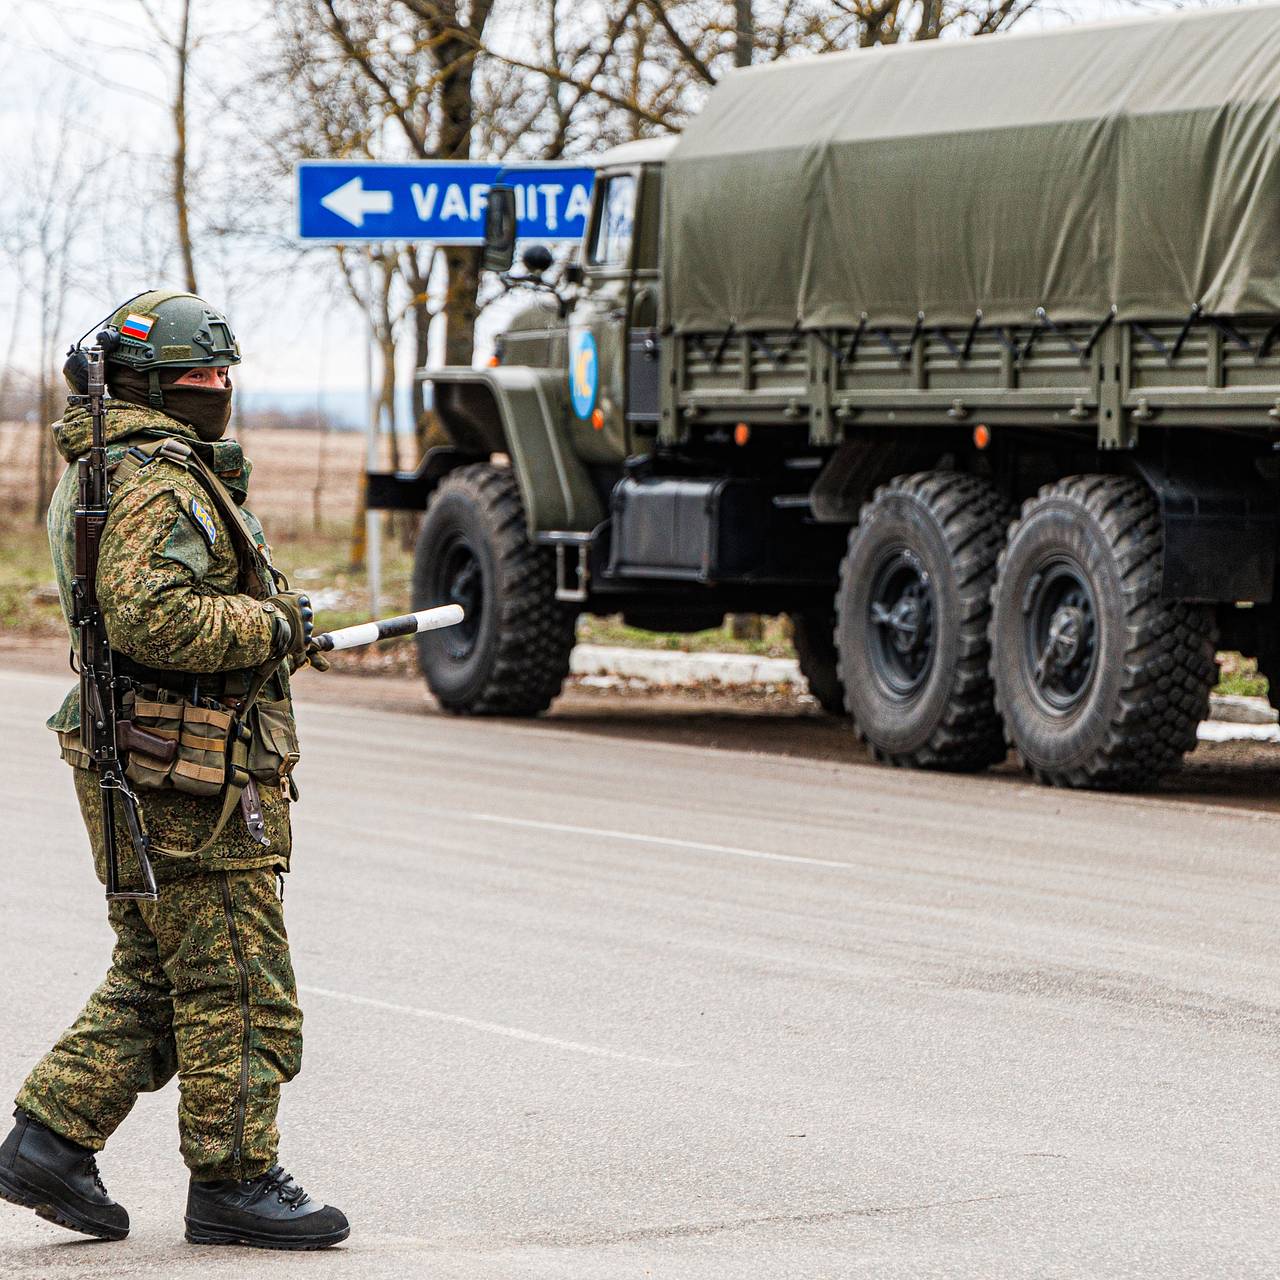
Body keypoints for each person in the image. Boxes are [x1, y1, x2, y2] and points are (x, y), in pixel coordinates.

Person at [0, 290, 349, 1250]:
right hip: (182, 767)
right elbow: (154, 617)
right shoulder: (157, 477)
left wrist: (272, 625)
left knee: (162, 969)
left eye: (225, 372)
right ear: (151, 385)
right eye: (201, 374)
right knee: (237, 979)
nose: (220, 389)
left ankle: (50, 1140)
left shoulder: (125, 463)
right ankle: (235, 1183)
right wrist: (277, 624)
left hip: (141, 752)